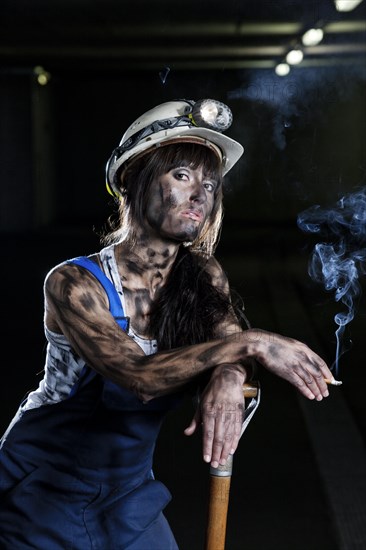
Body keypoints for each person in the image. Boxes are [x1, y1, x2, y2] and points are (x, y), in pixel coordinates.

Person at [0, 98, 333, 549]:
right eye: (182, 176)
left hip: (128, 496)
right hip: (43, 494)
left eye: (210, 185)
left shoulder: (203, 274)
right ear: (133, 180)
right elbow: (141, 378)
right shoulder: (75, 283)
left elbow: (229, 343)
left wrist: (230, 375)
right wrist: (252, 344)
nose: (200, 194)